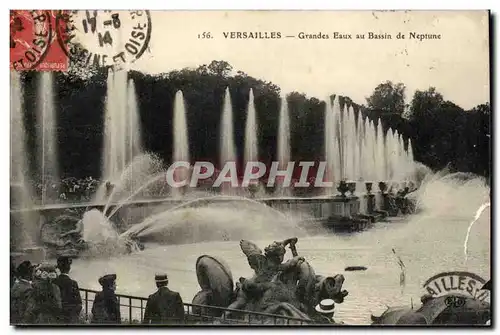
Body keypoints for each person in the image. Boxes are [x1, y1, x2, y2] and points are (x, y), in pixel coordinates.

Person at [53, 257, 82, 324]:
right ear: (69, 268)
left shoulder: (54, 282)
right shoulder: (73, 283)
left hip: (57, 317)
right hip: (69, 318)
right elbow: (79, 303)